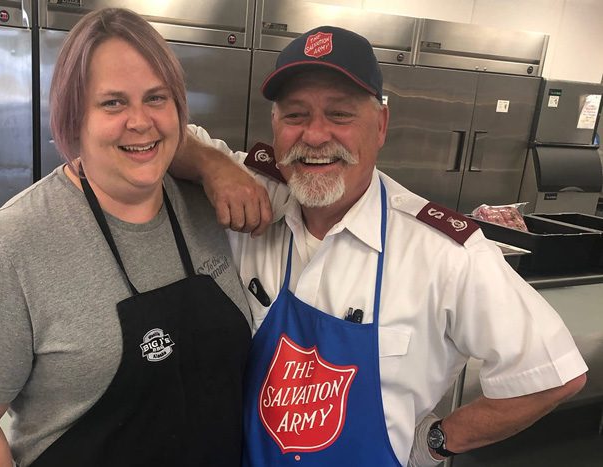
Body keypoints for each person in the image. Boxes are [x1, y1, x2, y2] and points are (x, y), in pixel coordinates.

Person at [173, 25, 588, 466]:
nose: (314, 136)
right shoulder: (256, 191)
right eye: (295, 115)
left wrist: (435, 442)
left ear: (381, 125)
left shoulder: (443, 252)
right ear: (274, 125)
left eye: (340, 115)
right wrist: (210, 164)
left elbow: (551, 374)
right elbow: (159, 137)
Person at [0, 8, 252, 466]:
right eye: (113, 103)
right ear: (72, 117)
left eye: (157, 98)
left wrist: (214, 164)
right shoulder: (10, 246)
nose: (140, 121)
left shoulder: (206, 207)